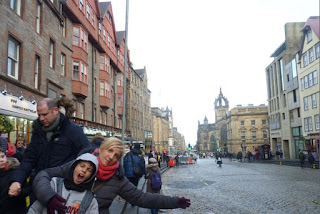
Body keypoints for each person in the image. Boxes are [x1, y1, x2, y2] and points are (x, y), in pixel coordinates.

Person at [32, 137, 191, 214]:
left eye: (116, 155)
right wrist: (49, 197)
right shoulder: (80, 164)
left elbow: (142, 198)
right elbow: (44, 175)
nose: (111, 157)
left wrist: (174, 201)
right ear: (101, 149)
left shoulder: (118, 179)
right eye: (109, 151)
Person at [8, 98, 91, 202]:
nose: (41, 118)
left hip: (62, 190)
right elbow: (29, 159)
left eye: (45, 114)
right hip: (39, 187)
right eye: (39, 115)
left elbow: (86, 157)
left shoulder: (73, 131)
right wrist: (17, 180)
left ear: (55, 110)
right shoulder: (38, 131)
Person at [28, 153, 99, 214]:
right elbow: (35, 210)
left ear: (91, 176)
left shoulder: (90, 200)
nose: (84, 170)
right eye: (82, 166)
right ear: (74, 167)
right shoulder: (54, 184)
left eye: (89, 170)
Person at [0, 147, 27, 214]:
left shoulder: (16, 172)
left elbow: (27, 189)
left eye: (3, 156)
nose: (1, 160)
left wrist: (18, 192)